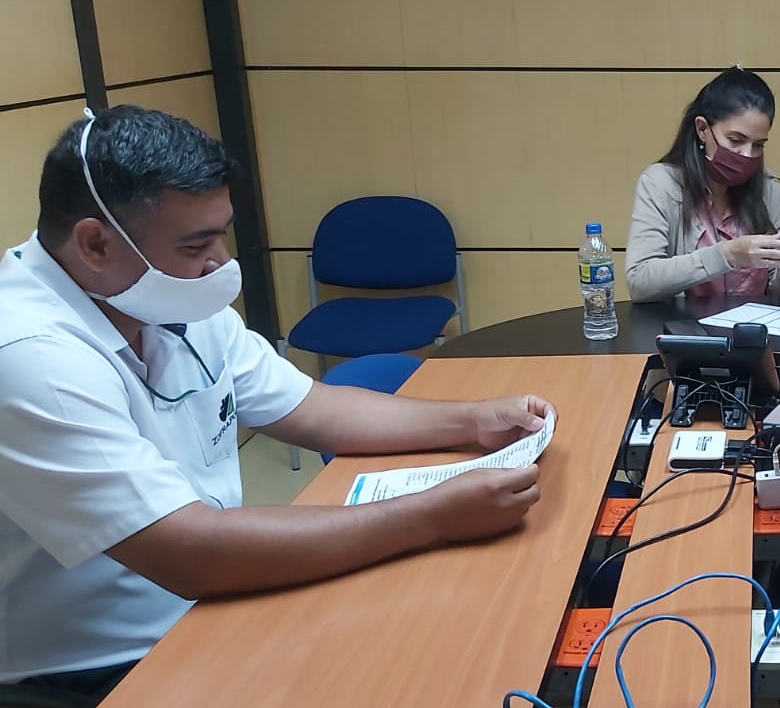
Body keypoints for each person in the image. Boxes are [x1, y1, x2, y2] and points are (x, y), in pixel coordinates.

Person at [0, 106, 552, 702]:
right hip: (102, 671)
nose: (220, 261)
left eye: (222, 234)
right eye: (197, 244)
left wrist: (473, 420)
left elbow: (314, 408)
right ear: (96, 243)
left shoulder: (161, 295)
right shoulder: (30, 356)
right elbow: (189, 553)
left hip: (219, 603)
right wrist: (434, 517)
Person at [625, 67, 780, 302]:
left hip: (756, 324)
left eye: (758, 145)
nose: (747, 155)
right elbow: (639, 282)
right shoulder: (661, 184)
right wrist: (727, 254)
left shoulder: (768, 189)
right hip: (684, 325)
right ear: (702, 129)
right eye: (736, 140)